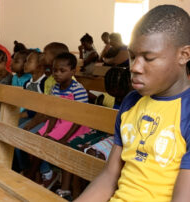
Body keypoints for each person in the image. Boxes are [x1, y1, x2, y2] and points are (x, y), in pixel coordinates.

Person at [75, 5, 190, 202]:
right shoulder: (131, 102)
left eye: (149, 58)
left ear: (184, 55)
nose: (135, 67)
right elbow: (109, 177)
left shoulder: (186, 111)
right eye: (133, 56)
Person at [37, 53, 90, 200]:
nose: (57, 74)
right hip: (59, 121)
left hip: (74, 125)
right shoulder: (55, 88)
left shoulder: (78, 89)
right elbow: (53, 112)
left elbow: (79, 117)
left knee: (65, 147)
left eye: (62, 70)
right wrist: (47, 130)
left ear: (73, 71)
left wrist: (66, 137)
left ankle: (64, 189)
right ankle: (39, 174)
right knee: (37, 138)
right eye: (55, 70)